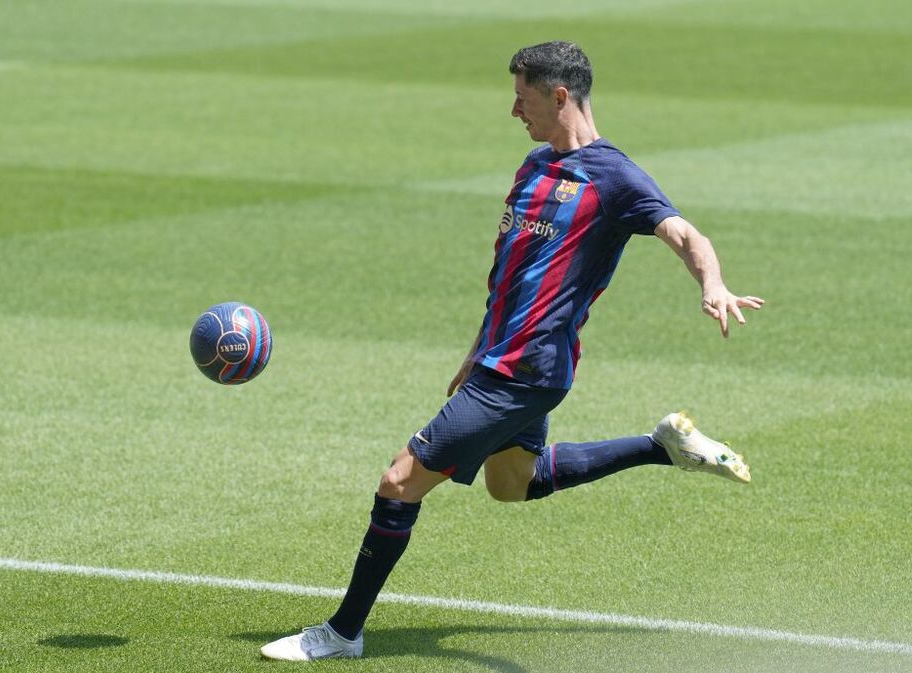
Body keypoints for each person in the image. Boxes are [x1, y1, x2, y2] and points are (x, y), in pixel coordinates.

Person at [260, 40, 764, 661]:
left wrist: (712, 284)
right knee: (513, 484)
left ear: (559, 96)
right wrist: (475, 347)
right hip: (504, 360)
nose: (513, 111)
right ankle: (659, 446)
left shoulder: (615, 178)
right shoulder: (532, 167)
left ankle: (341, 633)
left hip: (522, 371)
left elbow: (686, 233)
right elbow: (511, 271)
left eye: (522, 98)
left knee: (398, 483)